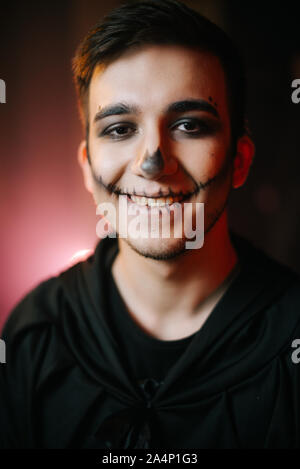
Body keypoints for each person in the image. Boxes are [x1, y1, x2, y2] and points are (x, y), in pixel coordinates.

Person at [1, 0, 300, 450]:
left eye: (188, 124)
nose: (153, 162)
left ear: (239, 161)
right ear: (87, 166)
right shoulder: (34, 336)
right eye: (120, 129)